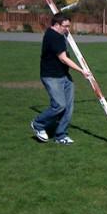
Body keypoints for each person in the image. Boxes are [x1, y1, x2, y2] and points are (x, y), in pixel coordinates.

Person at [30, 13, 90, 144]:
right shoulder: (53, 37)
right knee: (59, 105)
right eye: (65, 26)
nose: (68, 29)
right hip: (52, 76)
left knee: (69, 107)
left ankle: (60, 135)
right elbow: (63, 58)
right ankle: (38, 124)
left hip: (64, 76)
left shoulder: (58, 33)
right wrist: (82, 71)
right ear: (56, 25)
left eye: (69, 26)